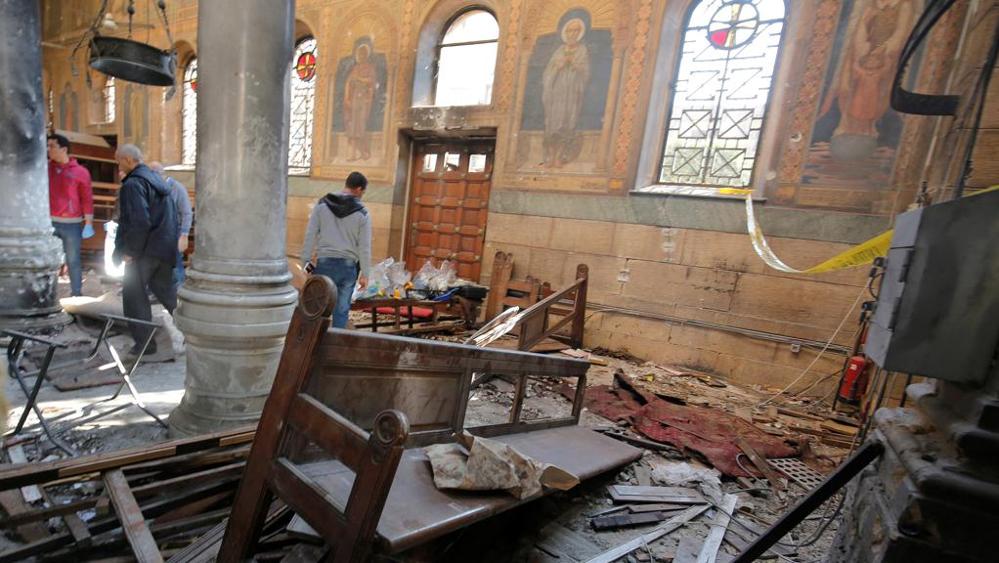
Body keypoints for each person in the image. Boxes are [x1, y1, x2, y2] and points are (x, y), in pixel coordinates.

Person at [113, 145, 178, 357]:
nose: (118, 166)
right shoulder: (158, 181)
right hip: (164, 248)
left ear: (128, 160)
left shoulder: (133, 184)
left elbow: (138, 221)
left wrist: (130, 250)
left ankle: (145, 345)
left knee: (134, 297)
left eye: (119, 161)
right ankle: (198, 334)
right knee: (168, 295)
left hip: (143, 251)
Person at [300, 171, 371, 329]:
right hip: (347, 267)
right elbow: (364, 247)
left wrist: (305, 262)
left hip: (324, 264)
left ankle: (313, 346)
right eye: (363, 192)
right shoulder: (362, 213)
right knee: (341, 310)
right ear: (359, 189)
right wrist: (365, 274)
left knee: (317, 307)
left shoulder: (322, 205)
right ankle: (335, 342)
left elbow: (310, 235)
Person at [47, 133, 94, 297]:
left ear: (64, 149)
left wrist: (88, 223)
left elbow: (86, 198)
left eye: (52, 146)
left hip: (72, 224)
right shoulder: (45, 169)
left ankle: (76, 295)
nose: (48, 149)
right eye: (48, 146)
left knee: (73, 261)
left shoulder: (80, 172)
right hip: (49, 223)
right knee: (47, 261)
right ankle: (47, 295)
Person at [149, 161, 193, 288]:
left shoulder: (177, 188)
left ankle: (179, 290)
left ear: (160, 175)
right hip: (158, 230)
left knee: (175, 263)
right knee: (157, 263)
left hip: (175, 230)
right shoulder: (153, 188)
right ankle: (159, 290)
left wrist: (184, 235)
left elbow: (186, 213)